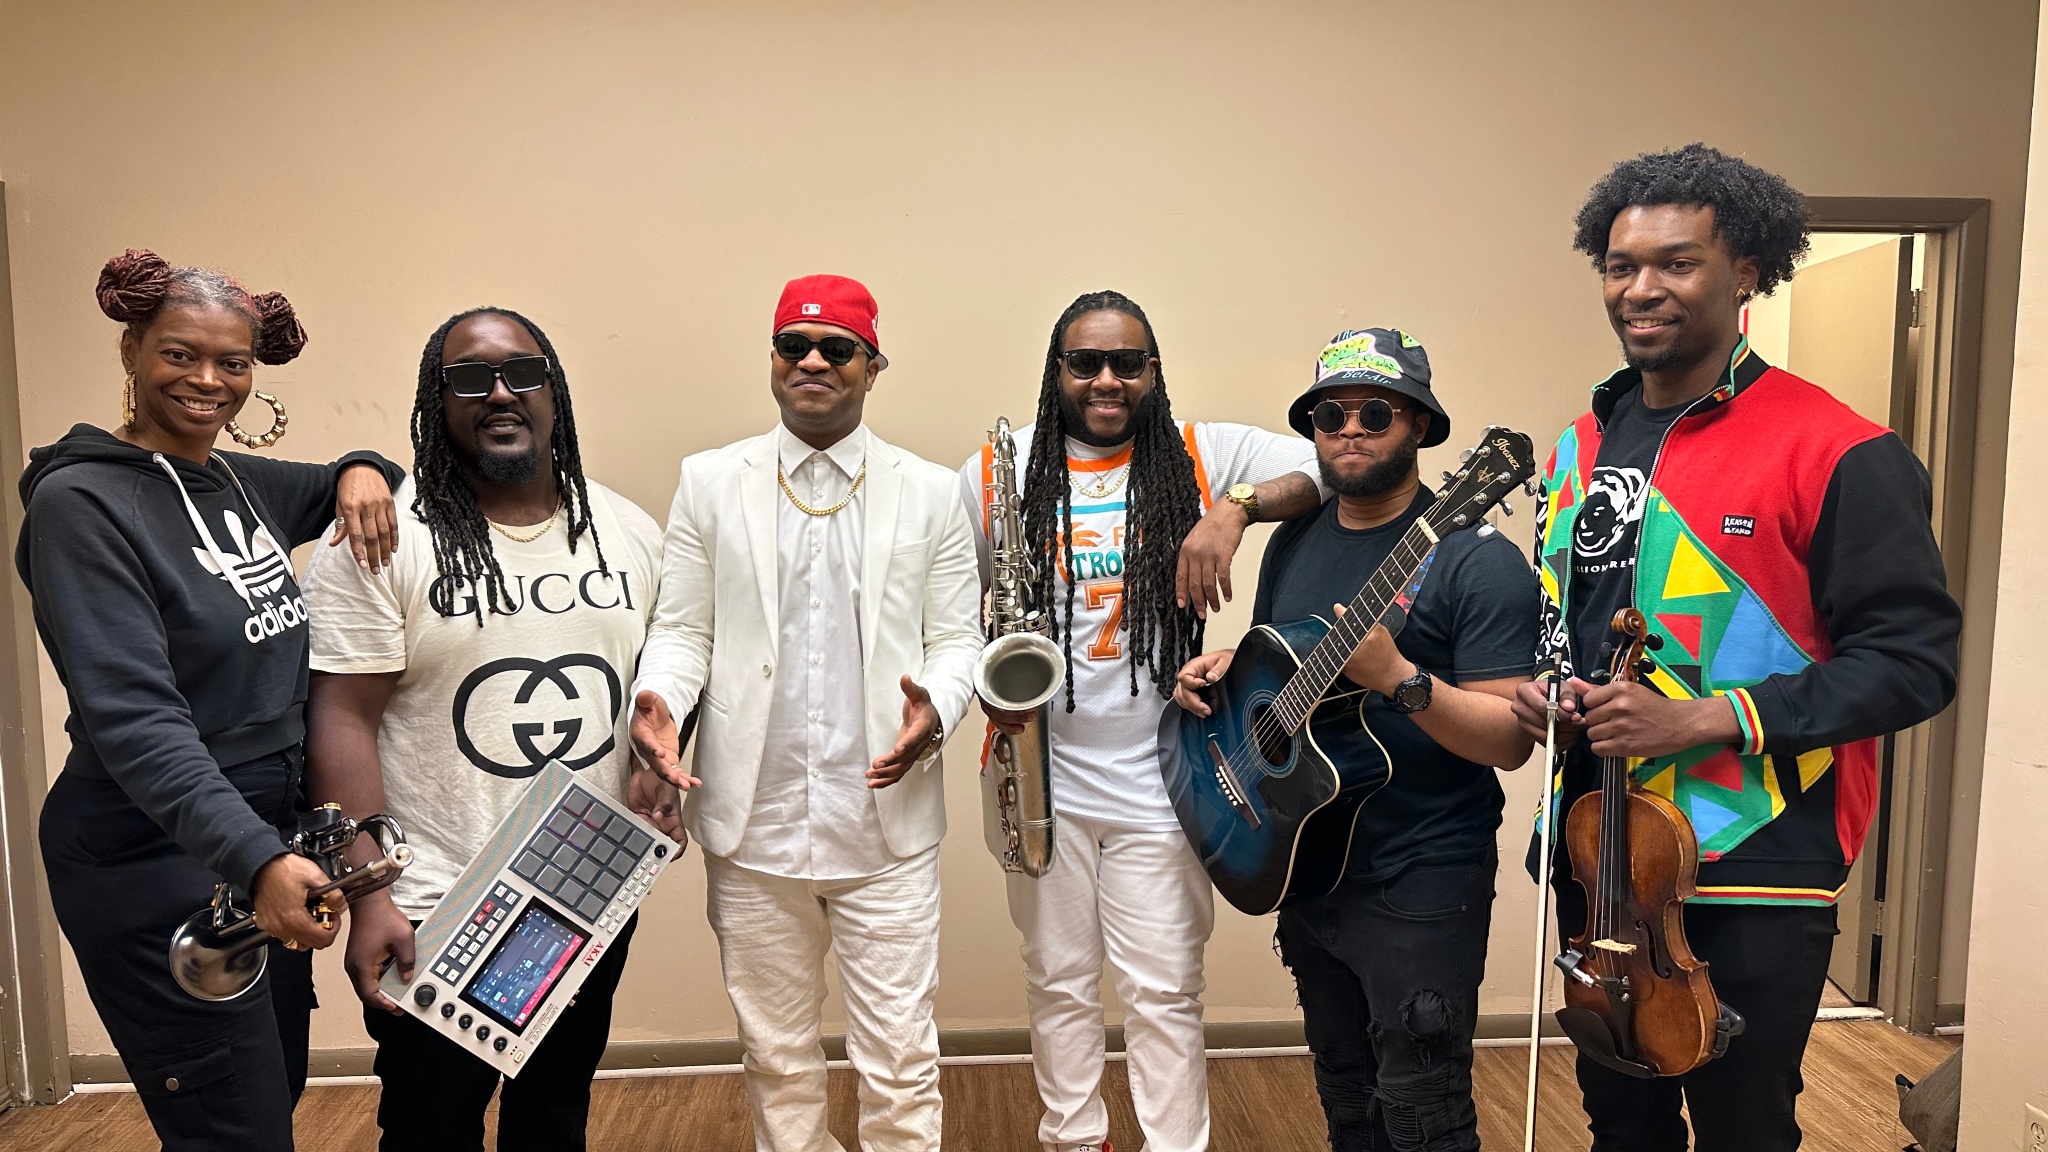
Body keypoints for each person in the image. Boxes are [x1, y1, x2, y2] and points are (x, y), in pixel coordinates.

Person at [1511, 144, 1962, 1151]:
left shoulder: (1842, 450)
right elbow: (1569, 624)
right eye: (1621, 266)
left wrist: (1705, 718)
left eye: (1677, 263)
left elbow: (1912, 666)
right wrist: (1552, 695)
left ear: (1746, 270)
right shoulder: (1582, 441)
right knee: (1618, 1125)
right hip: (1601, 849)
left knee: (1742, 1131)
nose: (1641, 289)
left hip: (1756, 857)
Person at [23, 249, 403, 1151]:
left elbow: (359, 474)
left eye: (232, 362)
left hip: (259, 835)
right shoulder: (81, 504)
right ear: (131, 351)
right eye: (179, 354)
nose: (207, 381)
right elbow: (135, 720)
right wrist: (255, 857)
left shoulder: (235, 481)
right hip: (151, 845)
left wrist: (361, 468)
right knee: (233, 1128)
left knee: (271, 1094)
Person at [960, 289, 1328, 1152]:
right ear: (1056, 371)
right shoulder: (993, 472)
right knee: (1057, 980)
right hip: (1039, 771)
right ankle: (1073, 1139)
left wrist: (1233, 508)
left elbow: (1328, 466)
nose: (1106, 379)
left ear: (1153, 372)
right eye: (1085, 362)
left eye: (1127, 363)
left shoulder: (1200, 450)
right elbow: (951, 608)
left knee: (1164, 989)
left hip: (1167, 772)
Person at [301, 307, 677, 1152]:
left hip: (581, 891)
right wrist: (369, 895)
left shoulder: (625, 530)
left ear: (555, 390)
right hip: (439, 903)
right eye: (469, 379)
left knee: (554, 1119)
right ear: (437, 402)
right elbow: (340, 719)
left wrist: (663, 772)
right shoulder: (384, 540)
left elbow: (660, 686)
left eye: (522, 373)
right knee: (430, 1131)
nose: (500, 393)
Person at [630, 274, 982, 1152]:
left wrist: (937, 712)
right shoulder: (710, 482)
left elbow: (957, 641)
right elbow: (683, 628)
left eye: (837, 348)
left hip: (884, 830)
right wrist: (662, 700)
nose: (814, 362)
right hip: (754, 824)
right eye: (795, 344)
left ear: (873, 366)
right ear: (774, 359)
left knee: (900, 1061)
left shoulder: (931, 490)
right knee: (776, 1058)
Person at [1174, 329, 1540, 1152]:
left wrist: (1401, 679)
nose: (1350, 429)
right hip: (1309, 857)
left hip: (1420, 870)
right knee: (1345, 1091)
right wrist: (1232, 670)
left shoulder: (1476, 563)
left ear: (1419, 425)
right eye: (1329, 415)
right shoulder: (1297, 538)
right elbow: (1286, 669)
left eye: (1375, 412)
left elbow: (1510, 742)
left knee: (1422, 1108)